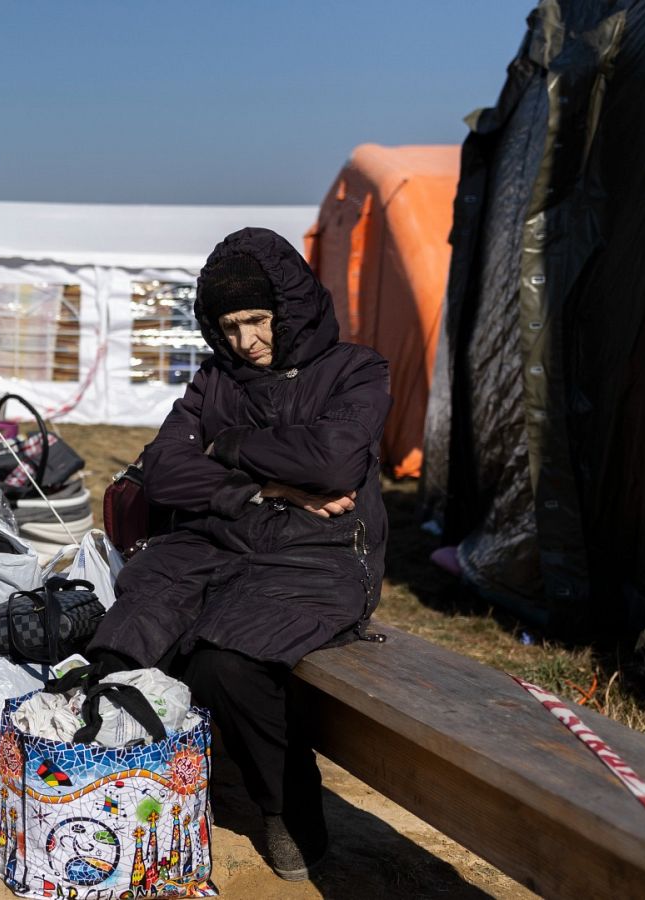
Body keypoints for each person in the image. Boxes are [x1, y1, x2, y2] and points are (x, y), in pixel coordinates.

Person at [86, 227, 391, 881]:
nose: (244, 341)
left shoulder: (356, 370)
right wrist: (270, 483)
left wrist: (222, 448)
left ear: (291, 308)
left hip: (318, 557)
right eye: (228, 326)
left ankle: (290, 813)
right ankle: (136, 797)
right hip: (215, 540)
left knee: (228, 662)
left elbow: (336, 461)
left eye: (257, 320)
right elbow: (164, 470)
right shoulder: (214, 380)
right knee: (127, 638)